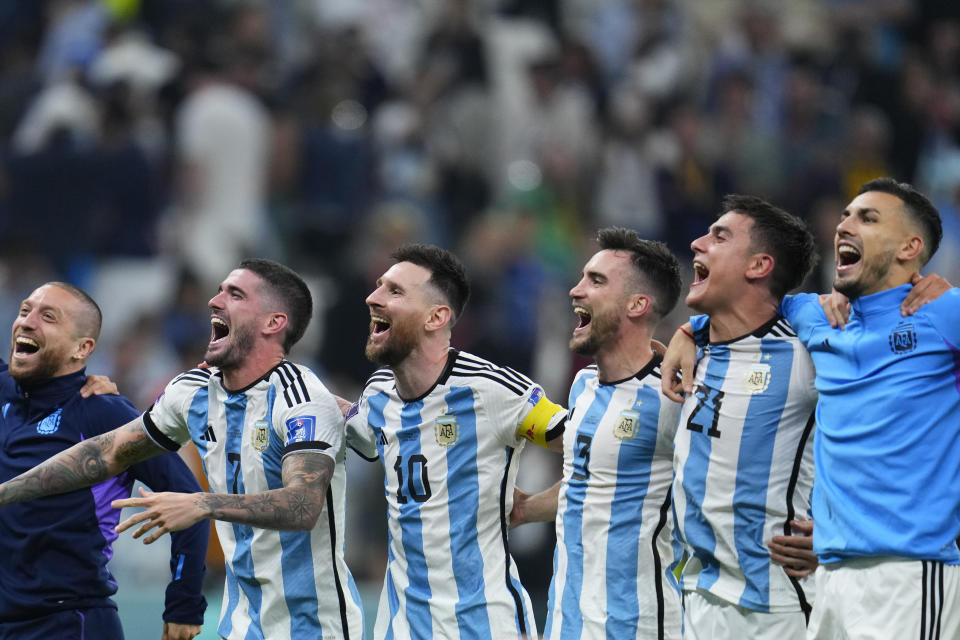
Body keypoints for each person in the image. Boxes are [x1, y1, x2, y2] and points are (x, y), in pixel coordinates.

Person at [0, 260, 364, 640]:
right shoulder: (192, 391)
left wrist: (201, 504)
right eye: (220, 289)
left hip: (314, 630)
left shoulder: (302, 399)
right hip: (240, 627)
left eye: (234, 294)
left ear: (273, 323)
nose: (213, 301)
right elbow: (103, 455)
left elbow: (303, 505)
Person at [345, 244, 567, 639]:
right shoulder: (378, 394)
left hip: (483, 626)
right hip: (401, 628)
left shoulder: (492, 391)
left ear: (436, 316)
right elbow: (352, 424)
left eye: (394, 291)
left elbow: (599, 454)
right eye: (379, 286)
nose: (373, 297)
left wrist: (534, 507)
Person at [773, 178, 960, 639]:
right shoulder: (816, 315)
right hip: (831, 581)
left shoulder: (944, 312)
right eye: (845, 216)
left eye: (867, 218)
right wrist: (686, 335)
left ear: (910, 247)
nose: (844, 225)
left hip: (909, 577)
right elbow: (740, 308)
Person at [0, 282, 208, 640]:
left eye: (48, 317)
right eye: (24, 311)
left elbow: (192, 501)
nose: (27, 322)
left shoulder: (105, 414)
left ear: (82, 348)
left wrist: (184, 602)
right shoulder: (4, 389)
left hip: (66, 623)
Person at [510, 227, 685, 639]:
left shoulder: (674, 396)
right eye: (582, 277)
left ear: (638, 304)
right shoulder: (584, 386)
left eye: (596, 281)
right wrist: (527, 509)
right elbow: (593, 480)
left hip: (637, 624)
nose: (576, 290)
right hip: (567, 621)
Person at [664, 195, 821, 639]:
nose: (696, 243)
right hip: (694, 599)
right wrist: (687, 330)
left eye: (719, 236)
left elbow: (890, 441)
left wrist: (840, 531)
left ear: (758, 266)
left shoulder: (805, 356)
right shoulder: (695, 354)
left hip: (775, 609)